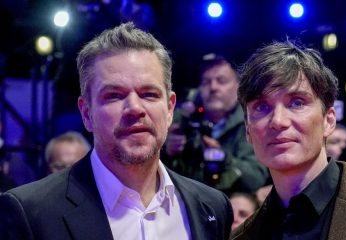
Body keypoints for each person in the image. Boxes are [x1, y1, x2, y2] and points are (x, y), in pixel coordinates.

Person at [0, 22, 233, 240]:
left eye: (149, 94)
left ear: (170, 108)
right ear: (86, 113)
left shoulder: (212, 207)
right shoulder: (30, 213)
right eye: (114, 95)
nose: (135, 108)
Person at [231, 41, 346, 239]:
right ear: (248, 130)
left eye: (296, 103)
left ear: (328, 120)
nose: (278, 121)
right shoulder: (241, 236)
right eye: (262, 107)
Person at [163, 55, 268, 195]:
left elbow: (256, 178)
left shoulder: (250, 121)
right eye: (206, 82)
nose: (213, 87)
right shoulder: (181, 119)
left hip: (230, 203)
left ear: (238, 86)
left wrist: (222, 158)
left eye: (221, 81)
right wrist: (166, 150)